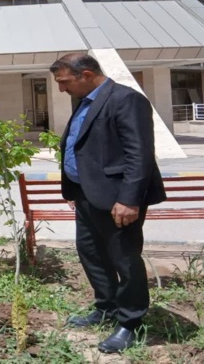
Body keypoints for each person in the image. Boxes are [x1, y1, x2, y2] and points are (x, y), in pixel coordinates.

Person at [49, 53, 167, 354]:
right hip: (86, 195)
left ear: (86, 74)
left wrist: (128, 199)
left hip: (117, 199)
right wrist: (76, 190)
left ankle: (130, 322)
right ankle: (107, 306)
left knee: (124, 259)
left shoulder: (125, 100)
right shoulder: (84, 101)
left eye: (64, 82)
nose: (61, 89)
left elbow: (139, 155)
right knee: (91, 254)